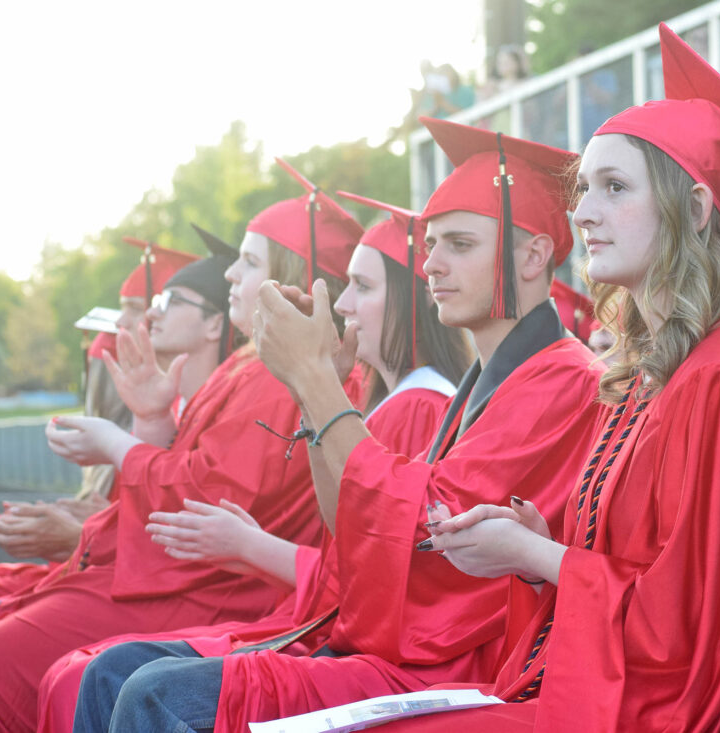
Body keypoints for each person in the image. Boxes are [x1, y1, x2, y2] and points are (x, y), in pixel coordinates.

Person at [327, 22, 720, 732]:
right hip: (593, 684)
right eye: (583, 188)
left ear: (694, 208)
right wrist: (536, 552)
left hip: (643, 710)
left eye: (613, 187)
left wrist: (539, 552)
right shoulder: (660, 369)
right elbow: (637, 569)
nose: (582, 211)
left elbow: (680, 628)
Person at [77, 117, 608, 731]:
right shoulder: (485, 382)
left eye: (459, 245)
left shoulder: (562, 378)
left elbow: (425, 529)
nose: (431, 264)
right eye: (431, 244)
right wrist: (314, 393)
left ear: (535, 255)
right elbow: (351, 525)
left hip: (451, 663)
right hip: (399, 639)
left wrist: (316, 383)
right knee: (114, 672)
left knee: (152, 693)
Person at [0, 172, 361, 732]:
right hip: (187, 575)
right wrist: (149, 418)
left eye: (249, 262)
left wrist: (117, 443)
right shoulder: (246, 364)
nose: (230, 272)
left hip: (215, 589)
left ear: (294, 276)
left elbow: (208, 497)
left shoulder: (277, 375)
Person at [33, 193, 472, 733]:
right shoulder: (381, 401)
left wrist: (252, 545)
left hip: (345, 633)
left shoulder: (418, 408)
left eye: (363, 288)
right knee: (100, 670)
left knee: (104, 676)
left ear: (410, 301)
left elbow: (372, 572)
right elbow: (351, 547)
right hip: (315, 612)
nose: (341, 305)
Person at [0, 238, 196, 733]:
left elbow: (176, 532)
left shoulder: (198, 412)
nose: (123, 325)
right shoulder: (174, 409)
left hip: (145, 582)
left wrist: (82, 532)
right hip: (112, 562)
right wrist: (85, 522)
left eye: (140, 309)